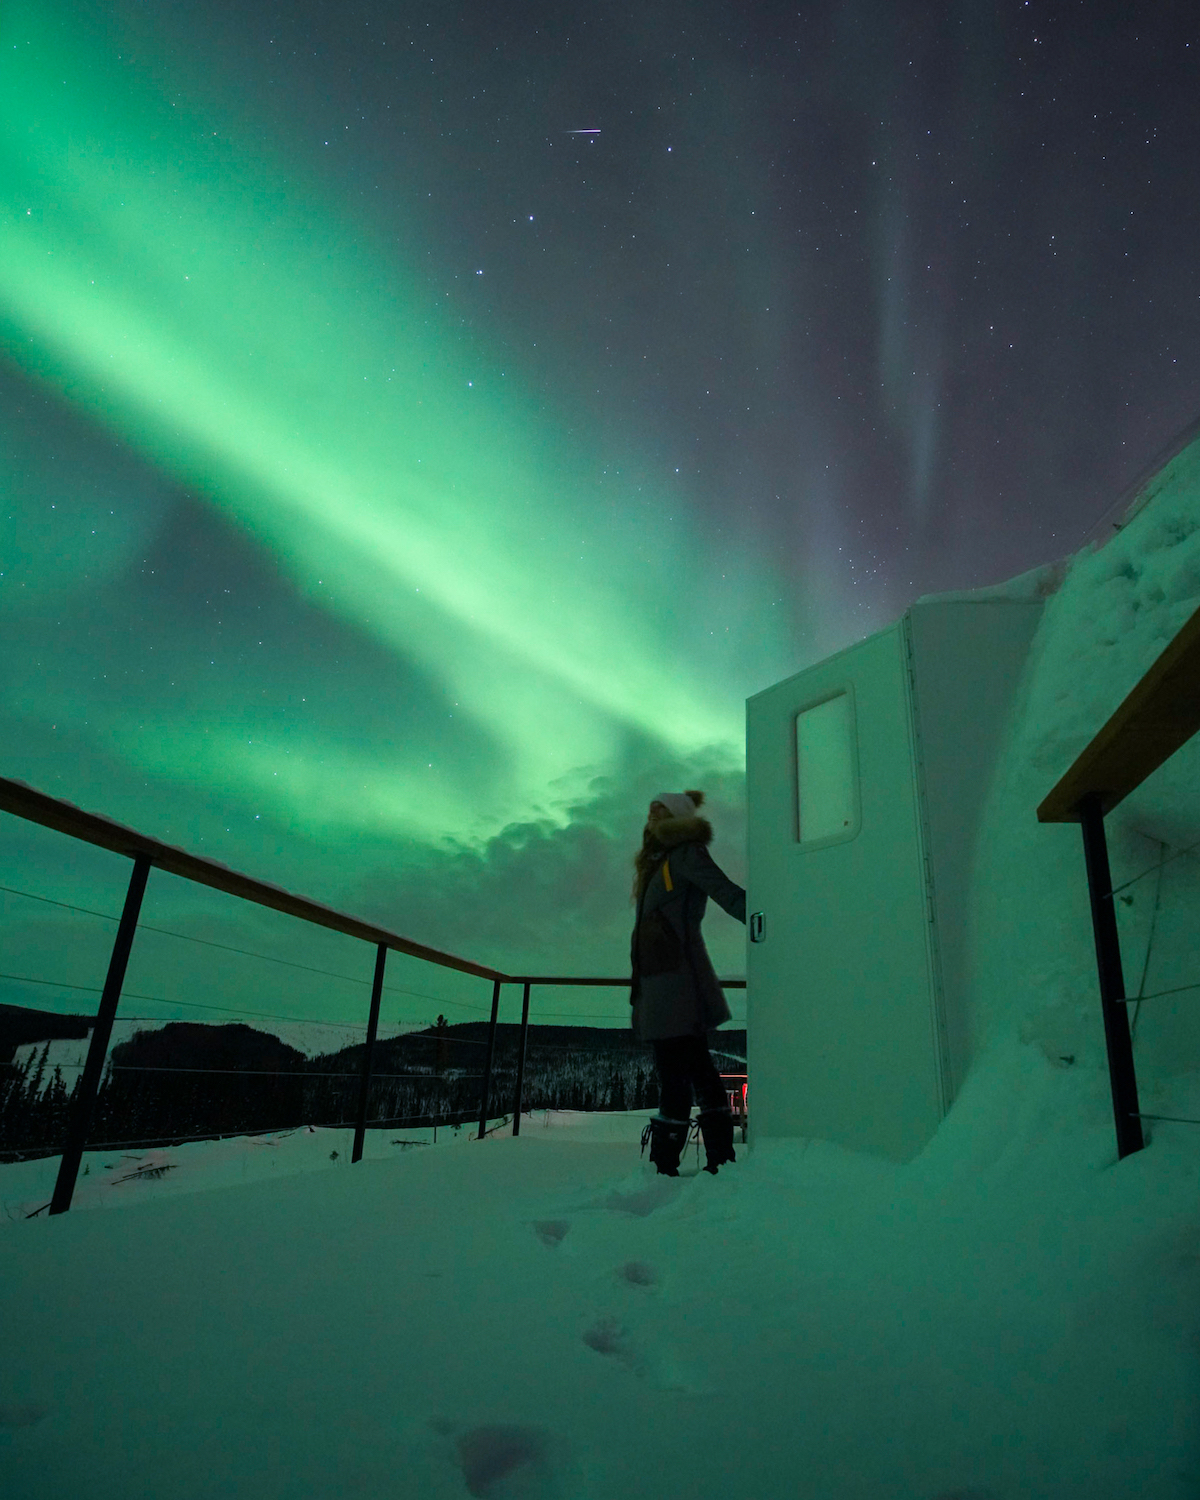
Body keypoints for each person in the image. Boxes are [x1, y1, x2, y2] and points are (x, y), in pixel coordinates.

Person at [630, 789, 746, 1175]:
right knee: (696, 1067)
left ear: (675, 818)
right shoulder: (660, 860)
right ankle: (719, 1160)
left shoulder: (685, 854)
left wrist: (766, 915)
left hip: (676, 983)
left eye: (658, 811)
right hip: (662, 983)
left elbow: (725, 891)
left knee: (675, 1072)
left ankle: (664, 1168)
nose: (650, 818)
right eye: (649, 811)